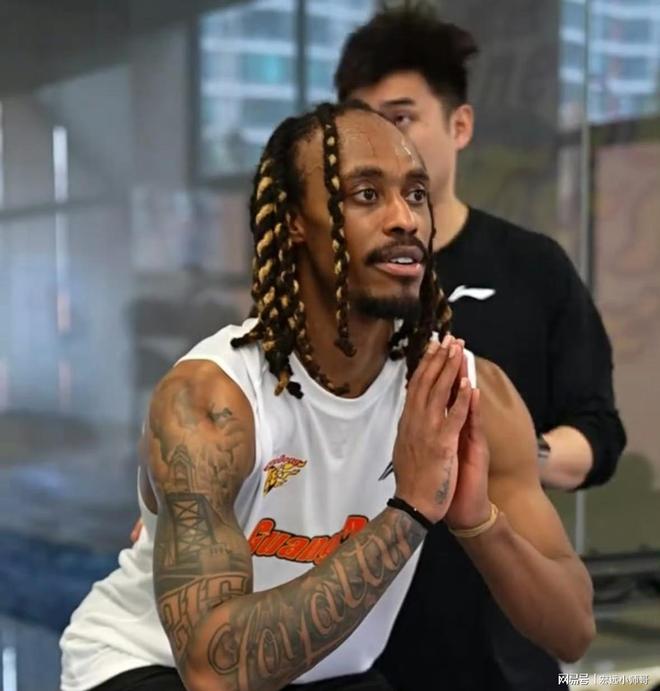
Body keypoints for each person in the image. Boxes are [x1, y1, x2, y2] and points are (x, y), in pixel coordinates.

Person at [60, 102, 594, 691]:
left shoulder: (466, 392)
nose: (404, 219)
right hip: (153, 666)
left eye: (416, 195)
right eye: (366, 195)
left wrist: (477, 522)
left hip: (325, 673)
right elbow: (214, 671)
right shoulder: (210, 400)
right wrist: (410, 510)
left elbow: (572, 630)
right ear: (294, 221)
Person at [333, 6, 626, 690]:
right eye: (362, 122)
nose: (381, 141)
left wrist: (510, 452)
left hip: (499, 641)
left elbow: (599, 432)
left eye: (401, 118)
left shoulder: (533, 267)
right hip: (357, 645)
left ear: (459, 126)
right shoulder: (328, 281)